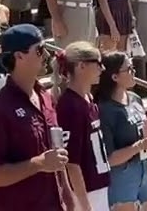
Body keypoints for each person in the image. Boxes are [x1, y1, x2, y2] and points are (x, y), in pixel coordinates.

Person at [0, 23, 69, 211]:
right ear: (19, 56)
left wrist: (70, 201)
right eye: (40, 50)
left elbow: (56, 160)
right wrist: (38, 164)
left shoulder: (45, 97)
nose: (47, 56)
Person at [97, 51, 147, 211]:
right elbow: (109, 158)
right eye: (129, 69)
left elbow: (144, 140)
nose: (134, 72)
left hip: (144, 168)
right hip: (122, 175)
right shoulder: (105, 110)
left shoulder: (135, 99)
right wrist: (140, 145)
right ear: (115, 76)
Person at [55, 41, 111, 211]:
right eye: (98, 63)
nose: (102, 69)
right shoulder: (69, 106)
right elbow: (71, 162)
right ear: (81, 66)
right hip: (86, 191)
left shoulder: (88, 99)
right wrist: (85, 204)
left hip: (99, 185)